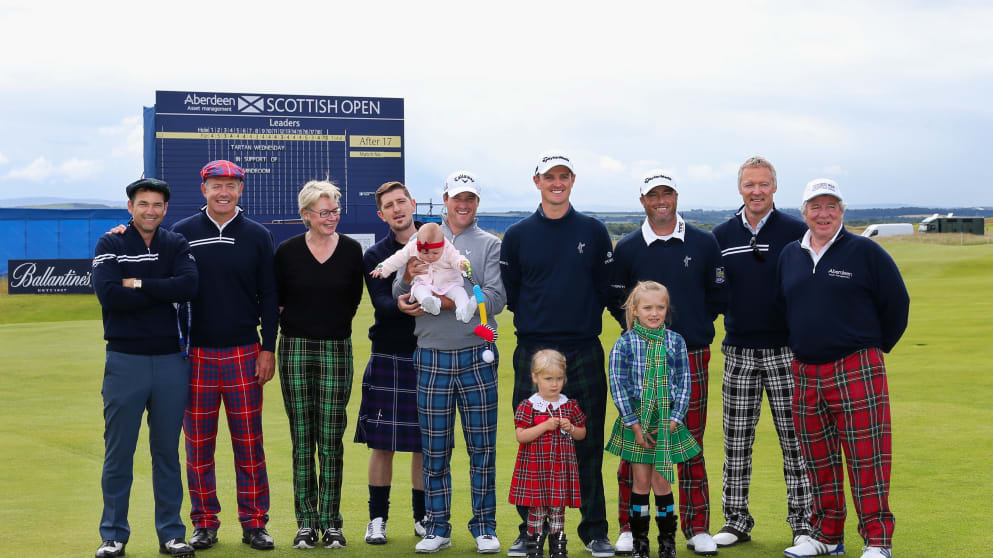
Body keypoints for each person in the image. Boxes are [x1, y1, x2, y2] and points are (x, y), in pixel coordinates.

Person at [778, 179, 909, 558]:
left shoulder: (865, 252)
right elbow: (786, 306)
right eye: (815, 207)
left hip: (856, 367)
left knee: (867, 457)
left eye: (831, 206)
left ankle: (877, 540)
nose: (823, 214)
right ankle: (827, 536)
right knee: (818, 458)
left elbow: (897, 304)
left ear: (842, 211)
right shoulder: (791, 254)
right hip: (805, 370)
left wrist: (873, 347)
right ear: (804, 212)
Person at [500, 150, 615, 558]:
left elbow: (606, 287)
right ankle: (529, 533)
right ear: (537, 182)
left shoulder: (594, 230)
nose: (557, 182)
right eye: (550, 176)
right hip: (534, 349)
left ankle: (594, 531)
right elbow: (513, 294)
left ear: (572, 180)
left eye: (564, 176)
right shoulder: (517, 235)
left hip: (583, 348)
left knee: (586, 441)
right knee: (532, 444)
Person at [608, 170, 726, 557]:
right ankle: (629, 525)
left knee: (687, 444)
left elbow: (717, 298)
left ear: (676, 196)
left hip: (686, 353)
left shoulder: (704, 242)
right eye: (653, 195)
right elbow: (617, 299)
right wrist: (641, 338)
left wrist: (690, 326)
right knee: (636, 447)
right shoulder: (626, 247)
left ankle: (697, 526)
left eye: (667, 193)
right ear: (643, 201)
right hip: (641, 358)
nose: (661, 200)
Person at [393, 170, 505, 554]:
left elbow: (494, 298)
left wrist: (439, 303)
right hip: (431, 356)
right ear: (445, 199)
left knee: (482, 449)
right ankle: (437, 527)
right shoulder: (421, 238)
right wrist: (409, 288)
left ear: (477, 203)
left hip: (477, 356)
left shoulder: (489, 244)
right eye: (457, 197)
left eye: (470, 198)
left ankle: (485, 526)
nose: (463, 204)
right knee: (435, 450)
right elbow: (399, 288)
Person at [172, 160, 280, 551]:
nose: (223, 192)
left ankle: (254, 522)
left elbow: (269, 295)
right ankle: (204, 522)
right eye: (216, 185)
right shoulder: (181, 232)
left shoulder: (257, 235)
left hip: (244, 352)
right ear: (203, 189)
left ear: (240, 190)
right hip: (195, 354)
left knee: (249, 442)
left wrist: (268, 346)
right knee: (198, 444)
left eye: (231, 186)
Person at [92, 178, 198, 558]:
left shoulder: (176, 243)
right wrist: (160, 286)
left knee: (166, 452)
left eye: (157, 204)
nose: (150, 210)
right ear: (130, 207)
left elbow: (188, 286)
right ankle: (113, 535)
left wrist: (136, 282)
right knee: (119, 452)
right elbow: (108, 294)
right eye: (143, 204)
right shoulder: (111, 243)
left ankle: (171, 533)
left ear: (165, 209)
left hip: (171, 360)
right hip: (124, 360)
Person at [710, 157, 812, 548]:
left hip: (787, 351)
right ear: (740, 188)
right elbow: (715, 292)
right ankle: (736, 520)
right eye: (750, 184)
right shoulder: (722, 234)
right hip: (738, 350)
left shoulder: (795, 230)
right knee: (736, 441)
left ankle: (803, 522)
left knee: (795, 441)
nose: (757, 191)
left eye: (764, 184)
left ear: (774, 188)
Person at [273, 180, 365, 549]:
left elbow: (353, 300)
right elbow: (277, 300)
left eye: (335, 210)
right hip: (294, 347)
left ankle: (332, 522)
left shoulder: (352, 250)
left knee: (330, 440)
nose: (331, 217)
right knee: (301, 440)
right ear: (306, 215)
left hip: (336, 349)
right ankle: (305, 523)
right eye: (323, 212)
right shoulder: (287, 251)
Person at [354, 180, 427, 544]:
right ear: (381, 214)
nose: (398, 209)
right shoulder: (375, 256)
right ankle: (377, 519)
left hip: (430, 353)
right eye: (389, 205)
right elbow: (381, 303)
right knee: (381, 444)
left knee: (423, 443)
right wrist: (400, 300)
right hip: (388, 352)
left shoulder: (436, 243)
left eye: (402, 202)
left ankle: (422, 518)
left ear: (413, 204)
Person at [606, 281, 700, 558]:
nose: (654, 312)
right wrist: (633, 424)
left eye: (660, 307)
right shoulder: (624, 343)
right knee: (640, 482)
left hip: (665, 418)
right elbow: (618, 385)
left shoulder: (676, 341)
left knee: (662, 482)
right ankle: (640, 543)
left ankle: (667, 543)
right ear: (634, 310)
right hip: (638, 419)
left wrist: (674, 419)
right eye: (647, 307)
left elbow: (684, 383)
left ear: (667, 308)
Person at [509, 349, 587, 558]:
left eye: (559, 378)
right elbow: (521, 436)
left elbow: (581, 433)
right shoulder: (529, 405)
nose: (554, 384)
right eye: (548, 378)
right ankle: (534, 549)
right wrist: (544, 427)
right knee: (537, 510)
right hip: (536, 468)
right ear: (535, 377)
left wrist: (570, 427)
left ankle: (558, 548)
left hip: (560, 469)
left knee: (557, 511)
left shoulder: (569, 405)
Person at [372, 222, 477, 322]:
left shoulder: (447, 247)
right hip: (425, 282)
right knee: (418, 289)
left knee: (459, 292)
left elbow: (456, 258)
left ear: (442, 246)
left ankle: (464, 310)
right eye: (425, 253)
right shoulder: (413, 246)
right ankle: (428, 302)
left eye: (435, 253)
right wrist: (381, 268)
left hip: (449, 282)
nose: (430, 257)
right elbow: (397, 258)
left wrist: (462, 264)